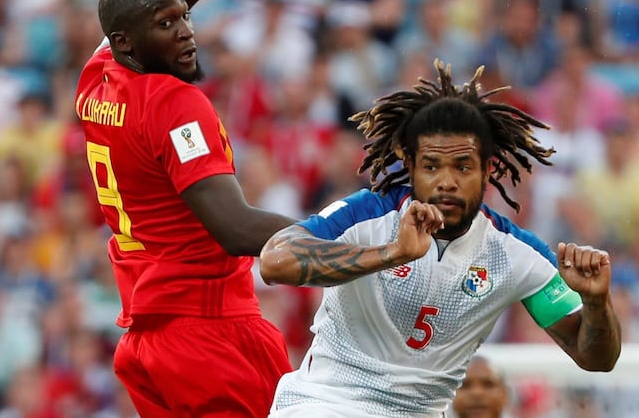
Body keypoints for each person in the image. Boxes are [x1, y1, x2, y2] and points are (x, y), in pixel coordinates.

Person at [259, 61, 622, 417]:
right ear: (409, 163)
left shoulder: (515, 254)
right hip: (326, 404)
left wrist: (595, 301)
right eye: (432, 166)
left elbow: (595, 358)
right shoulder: (368, 214)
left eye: (462, 167)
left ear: (488, 168)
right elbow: (275, 262)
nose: (447, 182)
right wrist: (391, 253)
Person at [75, 0, 294, 417]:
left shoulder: (98, 77)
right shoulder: (174, 103)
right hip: (212, 333)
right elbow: (236, 229)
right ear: (126, 41)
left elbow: (140, 9)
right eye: (166, 24)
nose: (186, 32)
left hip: (148, 341)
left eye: (184, 18)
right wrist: (357, 233)